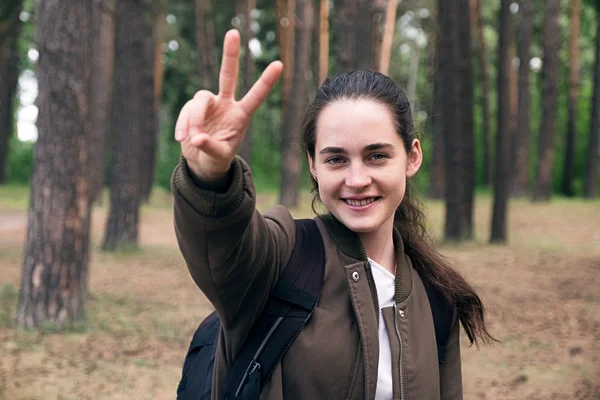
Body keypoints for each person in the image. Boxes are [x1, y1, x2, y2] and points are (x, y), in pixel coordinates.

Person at [171, 29, 494, 400]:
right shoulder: (280, 256)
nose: (357, 179)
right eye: (336, 158)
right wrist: (210, 175)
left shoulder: (437, 299)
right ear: (313, 164)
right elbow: (222, 242)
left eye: (377, 156)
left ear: (412, 157)